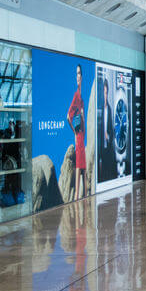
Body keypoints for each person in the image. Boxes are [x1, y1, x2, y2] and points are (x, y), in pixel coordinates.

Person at [67, 64, 87, 201]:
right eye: (76, 73)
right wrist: (75, 132)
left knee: (83, 167)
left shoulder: (81, 96)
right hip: (79, 135)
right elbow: (68, 116)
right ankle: (77, 196)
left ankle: (84, 195)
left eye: (79, 73)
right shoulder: (76, 95)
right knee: (80, 166)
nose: (78, 76)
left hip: (82, 134)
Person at [98, 78, 116, 182]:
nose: (105, 96)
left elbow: (111, 130)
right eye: (103, 93)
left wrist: (108, 136)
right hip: (99, 148)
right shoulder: (98, 108)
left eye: (106, 93)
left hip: (107, 148)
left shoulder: (109, 109)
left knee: (107, 174)